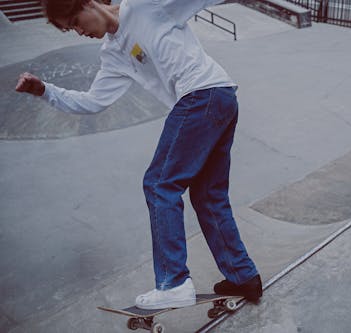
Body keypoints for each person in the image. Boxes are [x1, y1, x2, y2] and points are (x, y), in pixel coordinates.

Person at [15, 0, 262, 310]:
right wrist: (45, 91)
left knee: (160, 184)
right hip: (219, 98)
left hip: (202, 95)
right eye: (71, 30)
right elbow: (93, 102)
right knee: (208, 195)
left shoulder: (146, 6)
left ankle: (173, 282)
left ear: (89, 3)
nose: (80, 31)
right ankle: (244, 277)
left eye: (76, 21)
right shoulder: (113, 54)